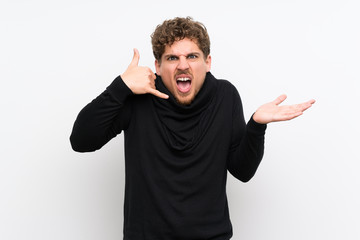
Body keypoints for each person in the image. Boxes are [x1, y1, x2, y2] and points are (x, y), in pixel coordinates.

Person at [70, 17, 315, 240]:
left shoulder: (225, 96)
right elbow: (81, 141)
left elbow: (243, 171)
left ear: (207, 62)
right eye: (172, 58)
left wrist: (256, 126)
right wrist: (120, 86)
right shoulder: (137, 97)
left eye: (192, 56)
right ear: (157, 65)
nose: (183, 65)